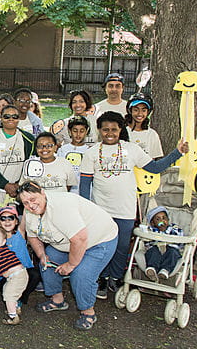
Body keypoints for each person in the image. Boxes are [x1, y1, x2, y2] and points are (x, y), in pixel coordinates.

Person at [79, 111, 188, 298]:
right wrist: (85, 209)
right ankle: (102, 278)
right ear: (99, 130)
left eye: (114, 129)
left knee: (121, 246)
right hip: (101, 210)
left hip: (125, 209)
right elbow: (84, 185)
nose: (110, 133)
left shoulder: (132, 149)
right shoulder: (91, 153)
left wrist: (177, 152)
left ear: (121, 129)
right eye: (105, 130)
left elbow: (155, 168)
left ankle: (115, 277)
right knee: (102, 246)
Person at [18, 181, 119, 331]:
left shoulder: (61, 207)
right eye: (25, 203)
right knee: (47, 262)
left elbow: (80, 238)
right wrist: (41, 255)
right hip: (66, 242)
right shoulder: (30, 212)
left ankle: (88, 312)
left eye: (33, 200)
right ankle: (57, 301)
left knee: (81, 274)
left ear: (43, 193)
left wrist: (71, 265)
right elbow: (32, 236)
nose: (30, 205)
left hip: (98, 240)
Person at [0, 104, 35, 223]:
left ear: (19, 119)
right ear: (0, 118)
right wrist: (5, 185)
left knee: (17, 227)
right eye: (7, 116)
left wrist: (20, 185)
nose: (11, 119)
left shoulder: (29, 139)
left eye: (14, 116)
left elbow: (32, 164)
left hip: (20, 191)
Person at [0, 205, 40, 314]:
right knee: (7, 289)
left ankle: (20, 299)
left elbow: (25, 216)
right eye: (3, 218)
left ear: (16, 221)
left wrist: (26, 202)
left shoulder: (20, 233)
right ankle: (12, 301)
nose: (7, 221)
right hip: (6, 274)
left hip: (23, 272)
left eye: (11, 218)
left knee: (35, 275)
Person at [0, 227, 29, 324]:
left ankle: (13, 317)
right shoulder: (1, 250)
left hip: (17, 276)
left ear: (4, 242)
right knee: (8, 291)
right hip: (17, 275)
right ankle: (15, 308)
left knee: (9, 296)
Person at [143, 206, 184, 281]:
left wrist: (166, 233)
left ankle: (165, 270)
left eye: (164, 218)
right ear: (152, 223)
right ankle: (152, 269)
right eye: (158, 219)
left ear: (168, 219)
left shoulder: (174, 228)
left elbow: (180, 239)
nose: (162, 221)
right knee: (152, 251)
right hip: (156, 250)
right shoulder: (151, 230)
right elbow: (147, 242)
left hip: (170, 250)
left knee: (173, 252)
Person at [55, 116, 91, 195]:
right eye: (75, 131)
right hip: (65, 192)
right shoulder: (63, 150)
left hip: (83, 192)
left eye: (82, 131)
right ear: (69, 131)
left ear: (86, 131)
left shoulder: (89, 151)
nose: (78, 134)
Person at [125, 92, 163, 158]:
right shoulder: (122, 131)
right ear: (130, 111)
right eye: (136, 110)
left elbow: (153, 160)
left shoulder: (152, 134)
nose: (140, 114)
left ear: (148, 112)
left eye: (143, 110)